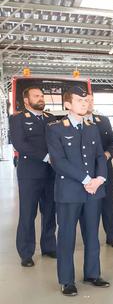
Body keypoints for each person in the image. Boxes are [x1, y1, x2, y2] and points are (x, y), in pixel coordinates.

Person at [46, 86, 110, 296]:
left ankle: (93, 274)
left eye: (86, 101)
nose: (84, 104)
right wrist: (85, 179)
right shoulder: (56, 128)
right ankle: (67, 280)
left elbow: (100, 156)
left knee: (92, 234)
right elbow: (58, 161)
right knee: (66, 236)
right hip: (69, 191)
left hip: (93, 191)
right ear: (67, 104)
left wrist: (100, 178)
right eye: (79, 101)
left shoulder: (92, 127)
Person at [9, 86, 57, 267]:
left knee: (50, 211)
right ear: (27, 101)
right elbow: (20, 144)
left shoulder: (50, 119)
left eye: (42, 95)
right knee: (28, 213)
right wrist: (46, 157)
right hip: (30, 174)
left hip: (51, 173)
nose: (41, 98)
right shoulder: (18, 119)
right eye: (37, 96)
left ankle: (49, 246)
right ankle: (26, 252)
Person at [84, 94, 113, 249]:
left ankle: (112, 237)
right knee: (89, 208)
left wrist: (107, 154)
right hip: (86, 171)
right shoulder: (70, 123)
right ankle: (90, 240)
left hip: (104, 169)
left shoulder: (102, 120)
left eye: (92, 100)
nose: (90, 103)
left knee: (108, 203)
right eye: (86, 100)